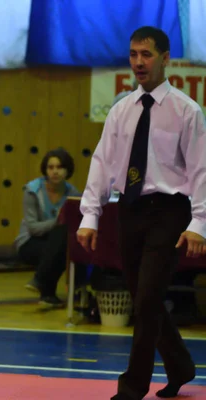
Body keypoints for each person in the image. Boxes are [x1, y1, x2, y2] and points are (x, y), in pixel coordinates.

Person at [77, 26, 203, 400]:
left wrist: (200, 224)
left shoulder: (187, 111)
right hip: (128, 210)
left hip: (169, 212)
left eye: (146, 55)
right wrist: (89, 215)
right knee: (141, 296)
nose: (138, 63)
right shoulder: (121, 111)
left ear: (165, 58)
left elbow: (201, 171)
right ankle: (181, 366)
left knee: (148, 297)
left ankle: (132, 386)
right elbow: (102, 164)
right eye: (133, 55)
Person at [15, 147, 82, 306]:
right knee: (61, 242)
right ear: (45, 170)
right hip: (29, 242)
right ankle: (44, 285)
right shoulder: (32, 190)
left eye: (60, 167)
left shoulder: (73, 194)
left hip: (55, 243)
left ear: (68, 170)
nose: (55, 172)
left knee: (62, 241)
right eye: (51, 167)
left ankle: (45, 290)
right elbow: (33, 228)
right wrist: (58, 219)